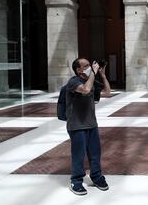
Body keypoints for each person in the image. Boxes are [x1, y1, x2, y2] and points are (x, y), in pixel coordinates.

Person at [66, 57, 111, 195]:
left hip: (91, 124)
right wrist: (93, 73)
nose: (89, 67)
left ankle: (96, 177)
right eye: (86, 66)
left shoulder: (91, 80)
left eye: (89, 65)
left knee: (95, 153)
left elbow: (108, 92)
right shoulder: (74, 82)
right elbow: (85, 90)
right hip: (77, 125)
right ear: (78, 69)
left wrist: (102, 75)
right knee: (78, 155)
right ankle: (76, 181)